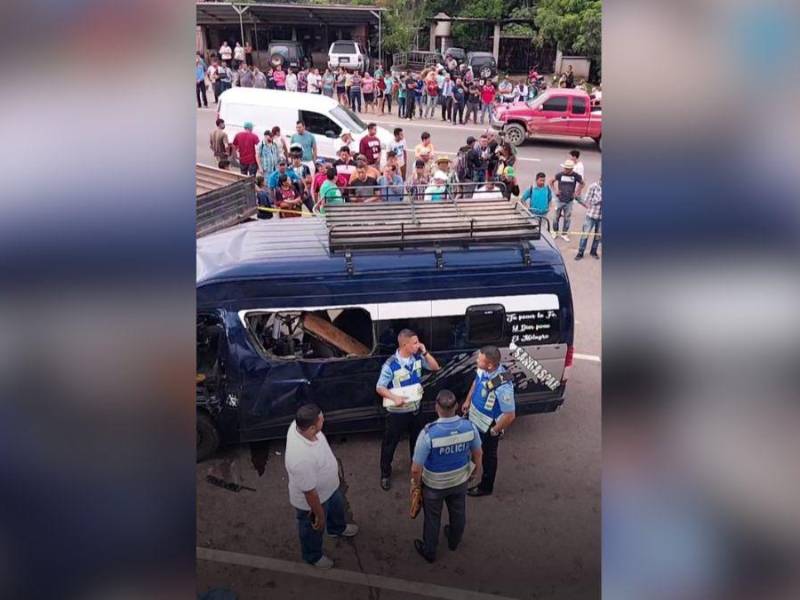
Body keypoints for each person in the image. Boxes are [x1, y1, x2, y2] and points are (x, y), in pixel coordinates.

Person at [411, 390, 483, 563]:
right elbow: (478, 453)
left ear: (437, 407)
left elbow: (415, 468)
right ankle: (453, 541)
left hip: (434, 486)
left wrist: (417, 485)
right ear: (457, 406)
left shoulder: (428, 434)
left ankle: (430, 551)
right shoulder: (470, 427)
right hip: (460, 481)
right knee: (458, 512)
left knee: (432, 519)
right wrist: (474, 472)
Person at [284, 403, 359, 569]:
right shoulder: (300, 459)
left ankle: (336, 528)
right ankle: (313, 556)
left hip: (330, 490)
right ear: (311, 428)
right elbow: (310, 494)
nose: (324, 420)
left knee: (337, 507)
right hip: (312, 502)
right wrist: (319, 515)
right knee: (312, 528)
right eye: (321, 420)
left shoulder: (299, 426)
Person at [376, 329, 441, 490]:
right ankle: (385, 473)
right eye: (414, 343)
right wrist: (394, 398)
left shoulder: (418, 357)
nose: (418, 345)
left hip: (415, 410)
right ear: (404, 344)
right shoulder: (390, 365)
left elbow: (435, 367)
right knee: (390, 444)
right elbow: (380, 387)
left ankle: (416, 469)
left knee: (417, 442)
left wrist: (425, 352)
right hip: (397, 413)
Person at [460, 345, 516, 497]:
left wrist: (495, 430)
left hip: (488, 425)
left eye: (480, 359)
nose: (477, 360)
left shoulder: (503, 385)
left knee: (488, 456)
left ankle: (486, 486)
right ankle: (469, 474)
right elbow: (476, 383)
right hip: (475, 418)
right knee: (472, 448)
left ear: (490, 365)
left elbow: (510, 414)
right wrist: (467, 401)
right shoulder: (483, 369)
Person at [549, 159, 584, 241]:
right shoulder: (560, 175)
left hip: (569, 201)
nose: (565, 170)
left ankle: (564, 234)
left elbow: (582, 183)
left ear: (571, 169)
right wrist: (555, 191)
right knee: (555, 217)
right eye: (565, 168)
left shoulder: (576, 176)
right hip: (559, 200)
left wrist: (577, 192)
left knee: (567, 218)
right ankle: (555, 232)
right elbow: (551, 181)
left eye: (567, 169)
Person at [575, 177, 602, 260]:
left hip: (601, 217)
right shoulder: (593, 187)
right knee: (585, 235)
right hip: (591, 215)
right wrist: (599, 199)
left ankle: (593, 251)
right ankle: (580, 252)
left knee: (598, 236)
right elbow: (587, 200)